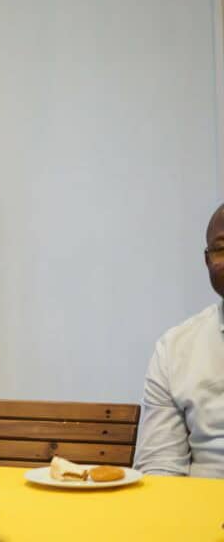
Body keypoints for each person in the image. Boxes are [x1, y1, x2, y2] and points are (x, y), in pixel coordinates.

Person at [134, 204, 224, 478]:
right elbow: (160, 468)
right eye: (222, 248)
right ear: (207, 261)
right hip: (202, 501)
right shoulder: (175, 349)